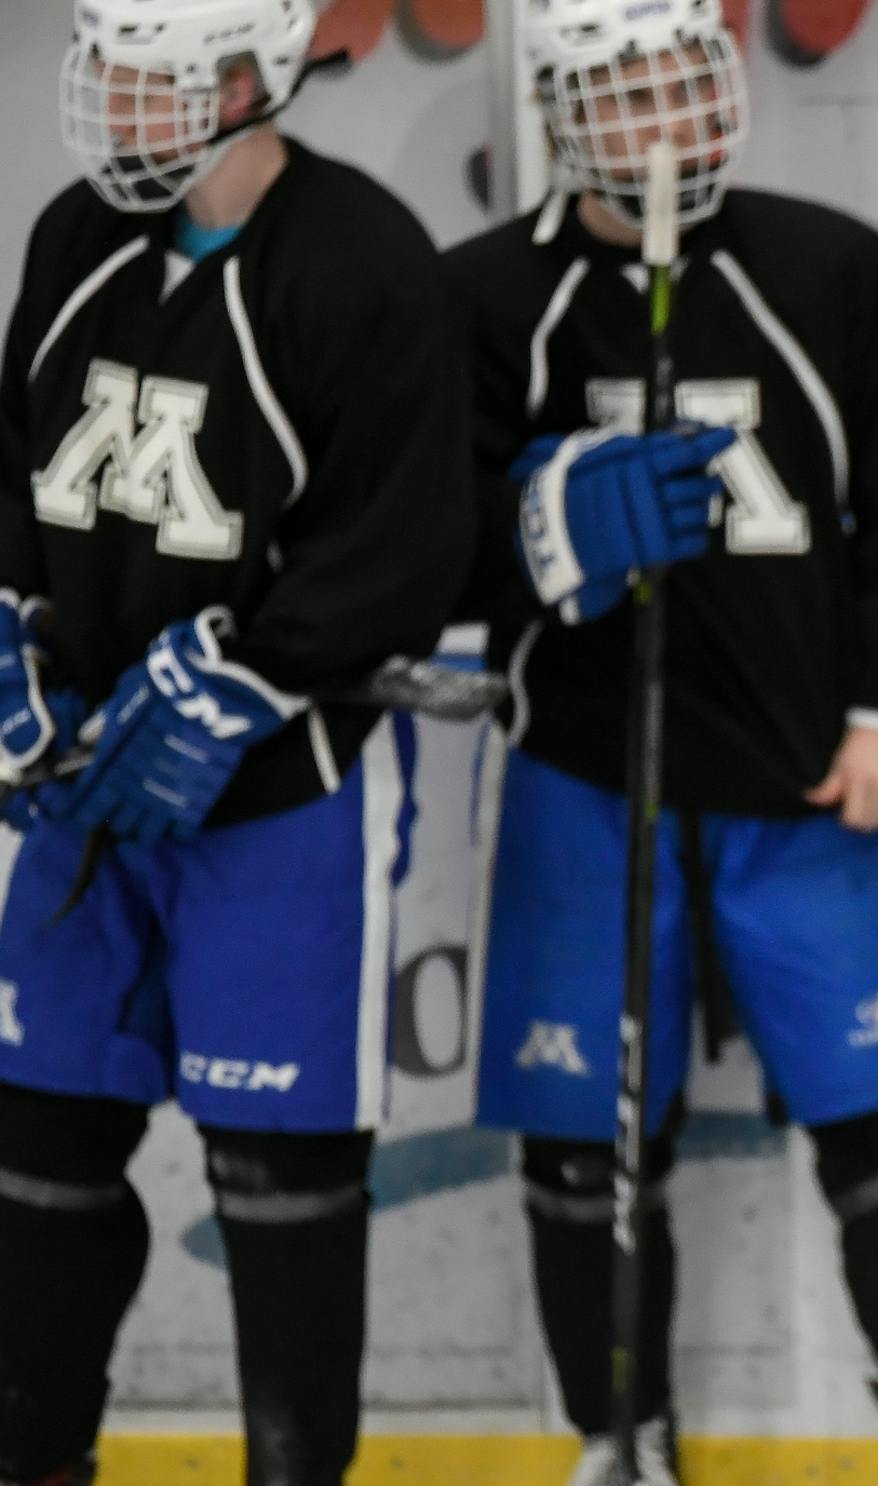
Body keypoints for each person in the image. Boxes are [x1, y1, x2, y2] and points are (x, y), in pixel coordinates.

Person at [444, 4, 878, 1484]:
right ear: (562, 110)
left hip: (808, 774)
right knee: (587, 1142)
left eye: (678, 80)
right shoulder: (488, 297)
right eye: (616, 92)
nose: (656, 120)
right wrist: (551, 528)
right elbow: (425, 545)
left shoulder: (829, 263)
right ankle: (623, 1438)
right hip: (586, 776)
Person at [0, 1, 475, 1482]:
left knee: (278, 1170)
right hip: (83, 788)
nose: (124, 105)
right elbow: (22, 473)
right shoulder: (77, 234)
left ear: (254, 73)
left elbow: (407, 537)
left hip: (282, 794)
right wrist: (11, 632)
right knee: (38, 1145)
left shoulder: (366, 259)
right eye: (114, 71)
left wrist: (253, 676)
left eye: (160, 76)